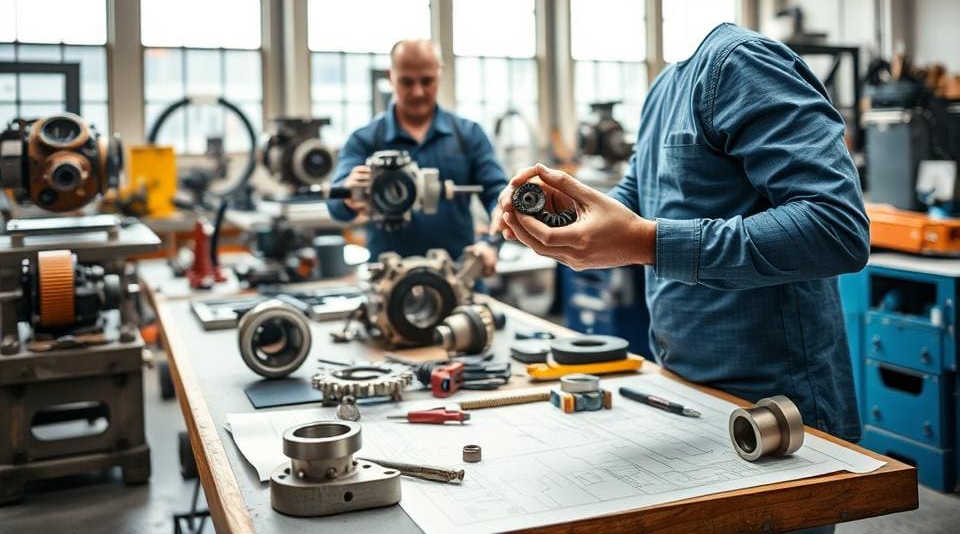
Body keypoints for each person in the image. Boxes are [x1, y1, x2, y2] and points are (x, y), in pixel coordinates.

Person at [493, 23, 869, 448]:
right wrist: (563, 213)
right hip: (687, 388)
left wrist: (645, 242)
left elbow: (835, 227)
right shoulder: (664, 89)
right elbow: (636, 199)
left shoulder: (740, 64)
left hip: (777, 407)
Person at [328, 39, 507, 275]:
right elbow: (335, 205)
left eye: (426, 81)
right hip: (389, 284)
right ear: (391, 76)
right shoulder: (365, 140)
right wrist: (347, 195)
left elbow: (501, 197)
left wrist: (490, 243)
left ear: (439, 73)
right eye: (407, 81)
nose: (418, 91)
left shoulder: (468, 135)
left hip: (458, 277)